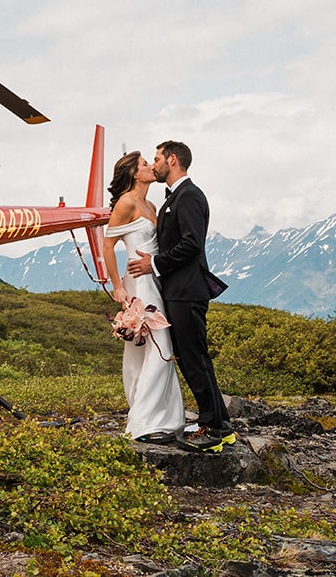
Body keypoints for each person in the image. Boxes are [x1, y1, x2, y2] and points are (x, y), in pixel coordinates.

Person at [127, 140, 234, 451]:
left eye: (158, 158)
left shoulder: (188, 196)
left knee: (193, 358)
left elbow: (192, 244)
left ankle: (213, 429)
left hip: (187, 291)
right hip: (180, 290)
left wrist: (154, 263)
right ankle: (219, 423)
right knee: (192, 357)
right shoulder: (178, 196)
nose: (155, 163)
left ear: (172, 160)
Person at [101, 151, 184, 443]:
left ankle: (161, 417)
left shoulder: (151, 204)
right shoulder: (126, 202)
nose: (151, 166)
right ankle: (145, 424)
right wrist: (117, 286)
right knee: (161, 347)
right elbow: (108, 245)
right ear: (136, 174)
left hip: (155, 280)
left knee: (141, 352)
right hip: (138, 284)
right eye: (145, 164)